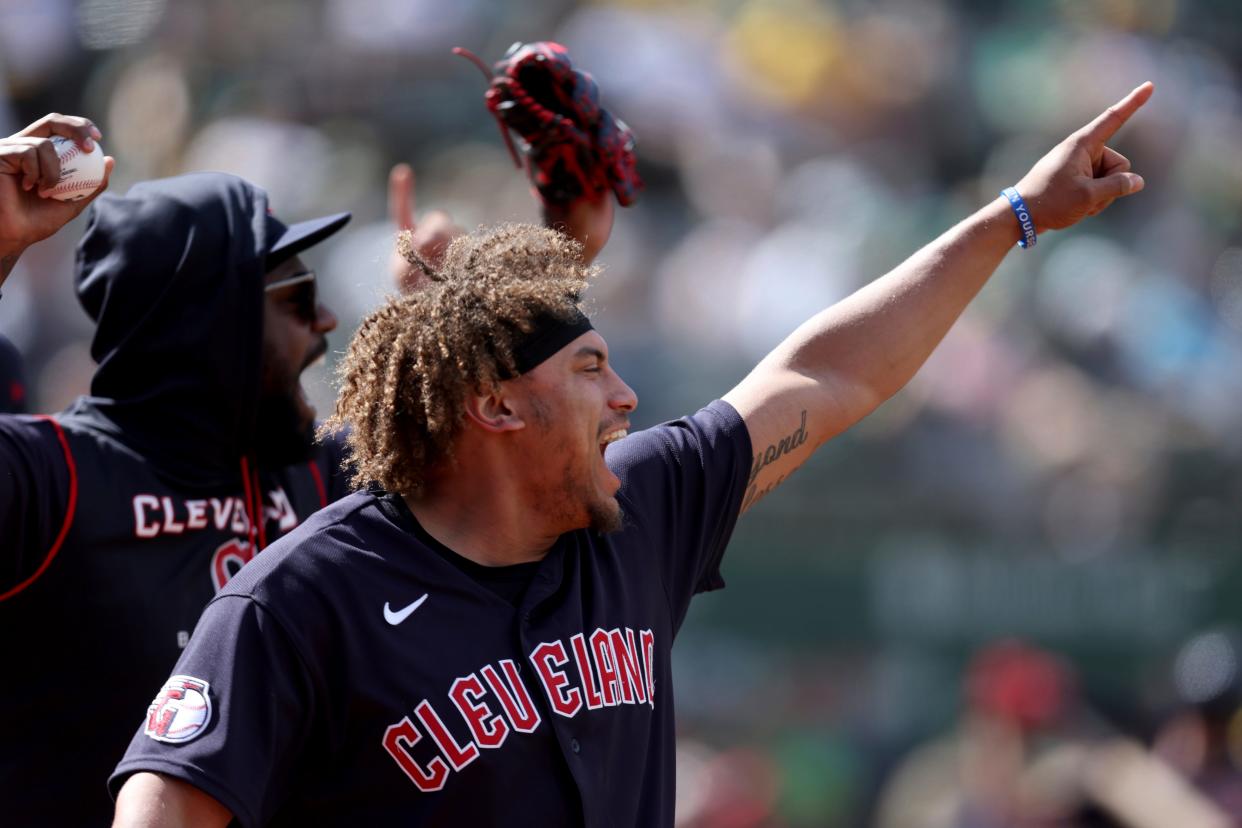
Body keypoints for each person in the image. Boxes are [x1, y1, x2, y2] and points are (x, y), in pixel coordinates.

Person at [110, 83, 1155, 827]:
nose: (627, 396)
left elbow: (829, 375)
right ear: (497, 410)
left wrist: (1015, 215)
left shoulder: (637, 507)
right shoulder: (296, 603)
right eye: (592, 369)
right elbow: (163, 807)